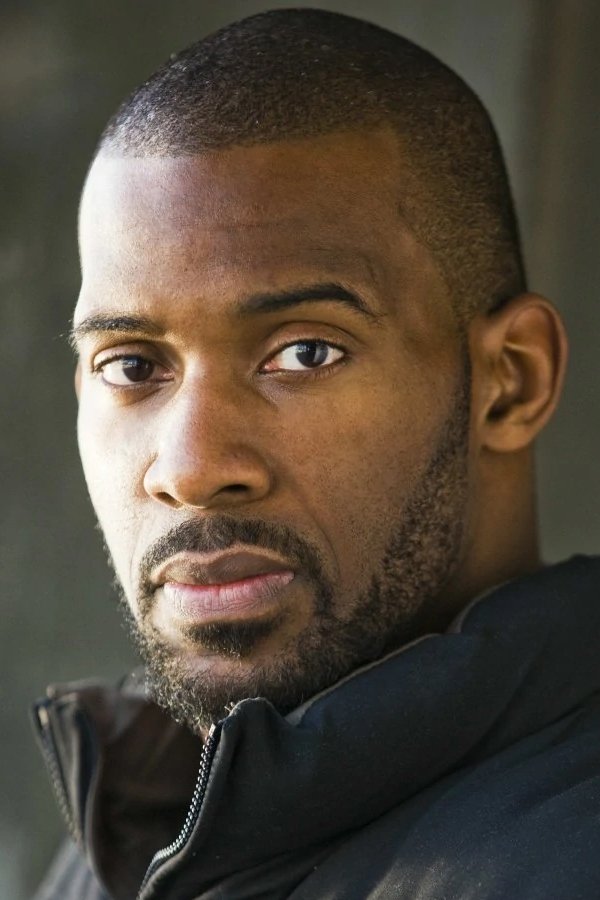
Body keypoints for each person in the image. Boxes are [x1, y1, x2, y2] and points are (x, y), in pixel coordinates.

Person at [31, 8, 600, 900]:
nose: (189, 468)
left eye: (304, 353)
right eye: (133, 366)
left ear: (510, 381)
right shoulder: (145, 819)